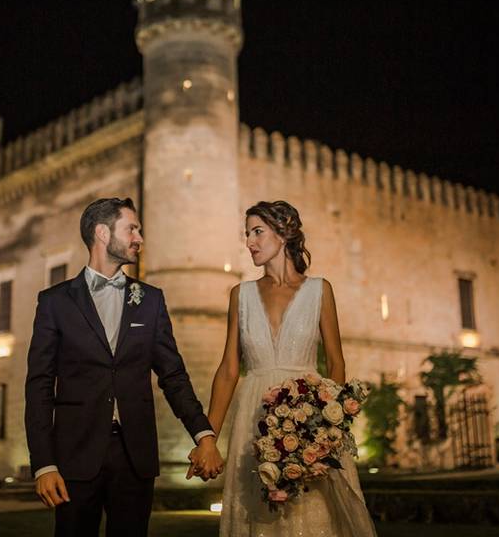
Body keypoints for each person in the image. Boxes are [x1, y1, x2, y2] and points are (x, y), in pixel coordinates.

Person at [24, 197, 224, 537]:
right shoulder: (54, 303)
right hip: (75, 456)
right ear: (102, 233)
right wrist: (44, 463)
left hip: (135, 457)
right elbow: (39, 386)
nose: (140, 239)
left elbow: (173, 376)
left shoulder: (151, 300)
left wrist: (204, 435)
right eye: (132, 229)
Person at [194, 200, 379, 536]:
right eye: (247, 234)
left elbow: (336, 362)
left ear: (284, 233)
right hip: (254, 417)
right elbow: (228, 370)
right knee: (259, 511)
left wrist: (324, 430)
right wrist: (208, 438)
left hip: (306, 417)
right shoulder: (240, 295)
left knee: (310, 512)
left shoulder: (320, 290)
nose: (249, 242)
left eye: (257, 231)